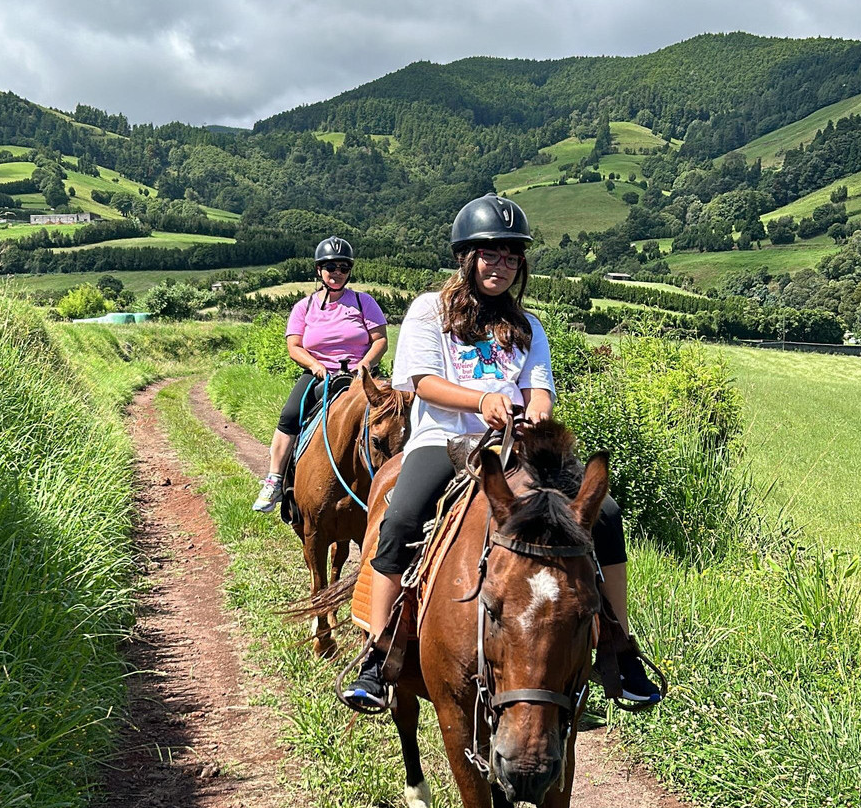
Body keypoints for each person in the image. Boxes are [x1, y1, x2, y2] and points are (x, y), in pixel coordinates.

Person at [342, 193, 661, 709]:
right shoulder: (430, 310)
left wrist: (536, 408)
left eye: (513, 257)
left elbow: (540, 387)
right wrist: (483, 399)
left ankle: (620, 648)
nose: (503, 266)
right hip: (444, 441)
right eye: (492, 254)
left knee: (603, 514)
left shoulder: (528, 326)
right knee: (401, 519)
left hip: (517, 446)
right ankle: (381, 655)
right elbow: (421, 382)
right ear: (467, 257)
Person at [252, 236, 389, 513]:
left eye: (343, 267)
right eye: (330, 267)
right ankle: (275, 480)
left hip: (360, 374)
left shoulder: (364, 303)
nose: (336, 273)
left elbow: (380, 340)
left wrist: (364, 365)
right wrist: (315, 366)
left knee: (393, 417)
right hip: (319, 375)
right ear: (319, 270)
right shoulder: (304, 307)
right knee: (290, 416)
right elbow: (294, 346)